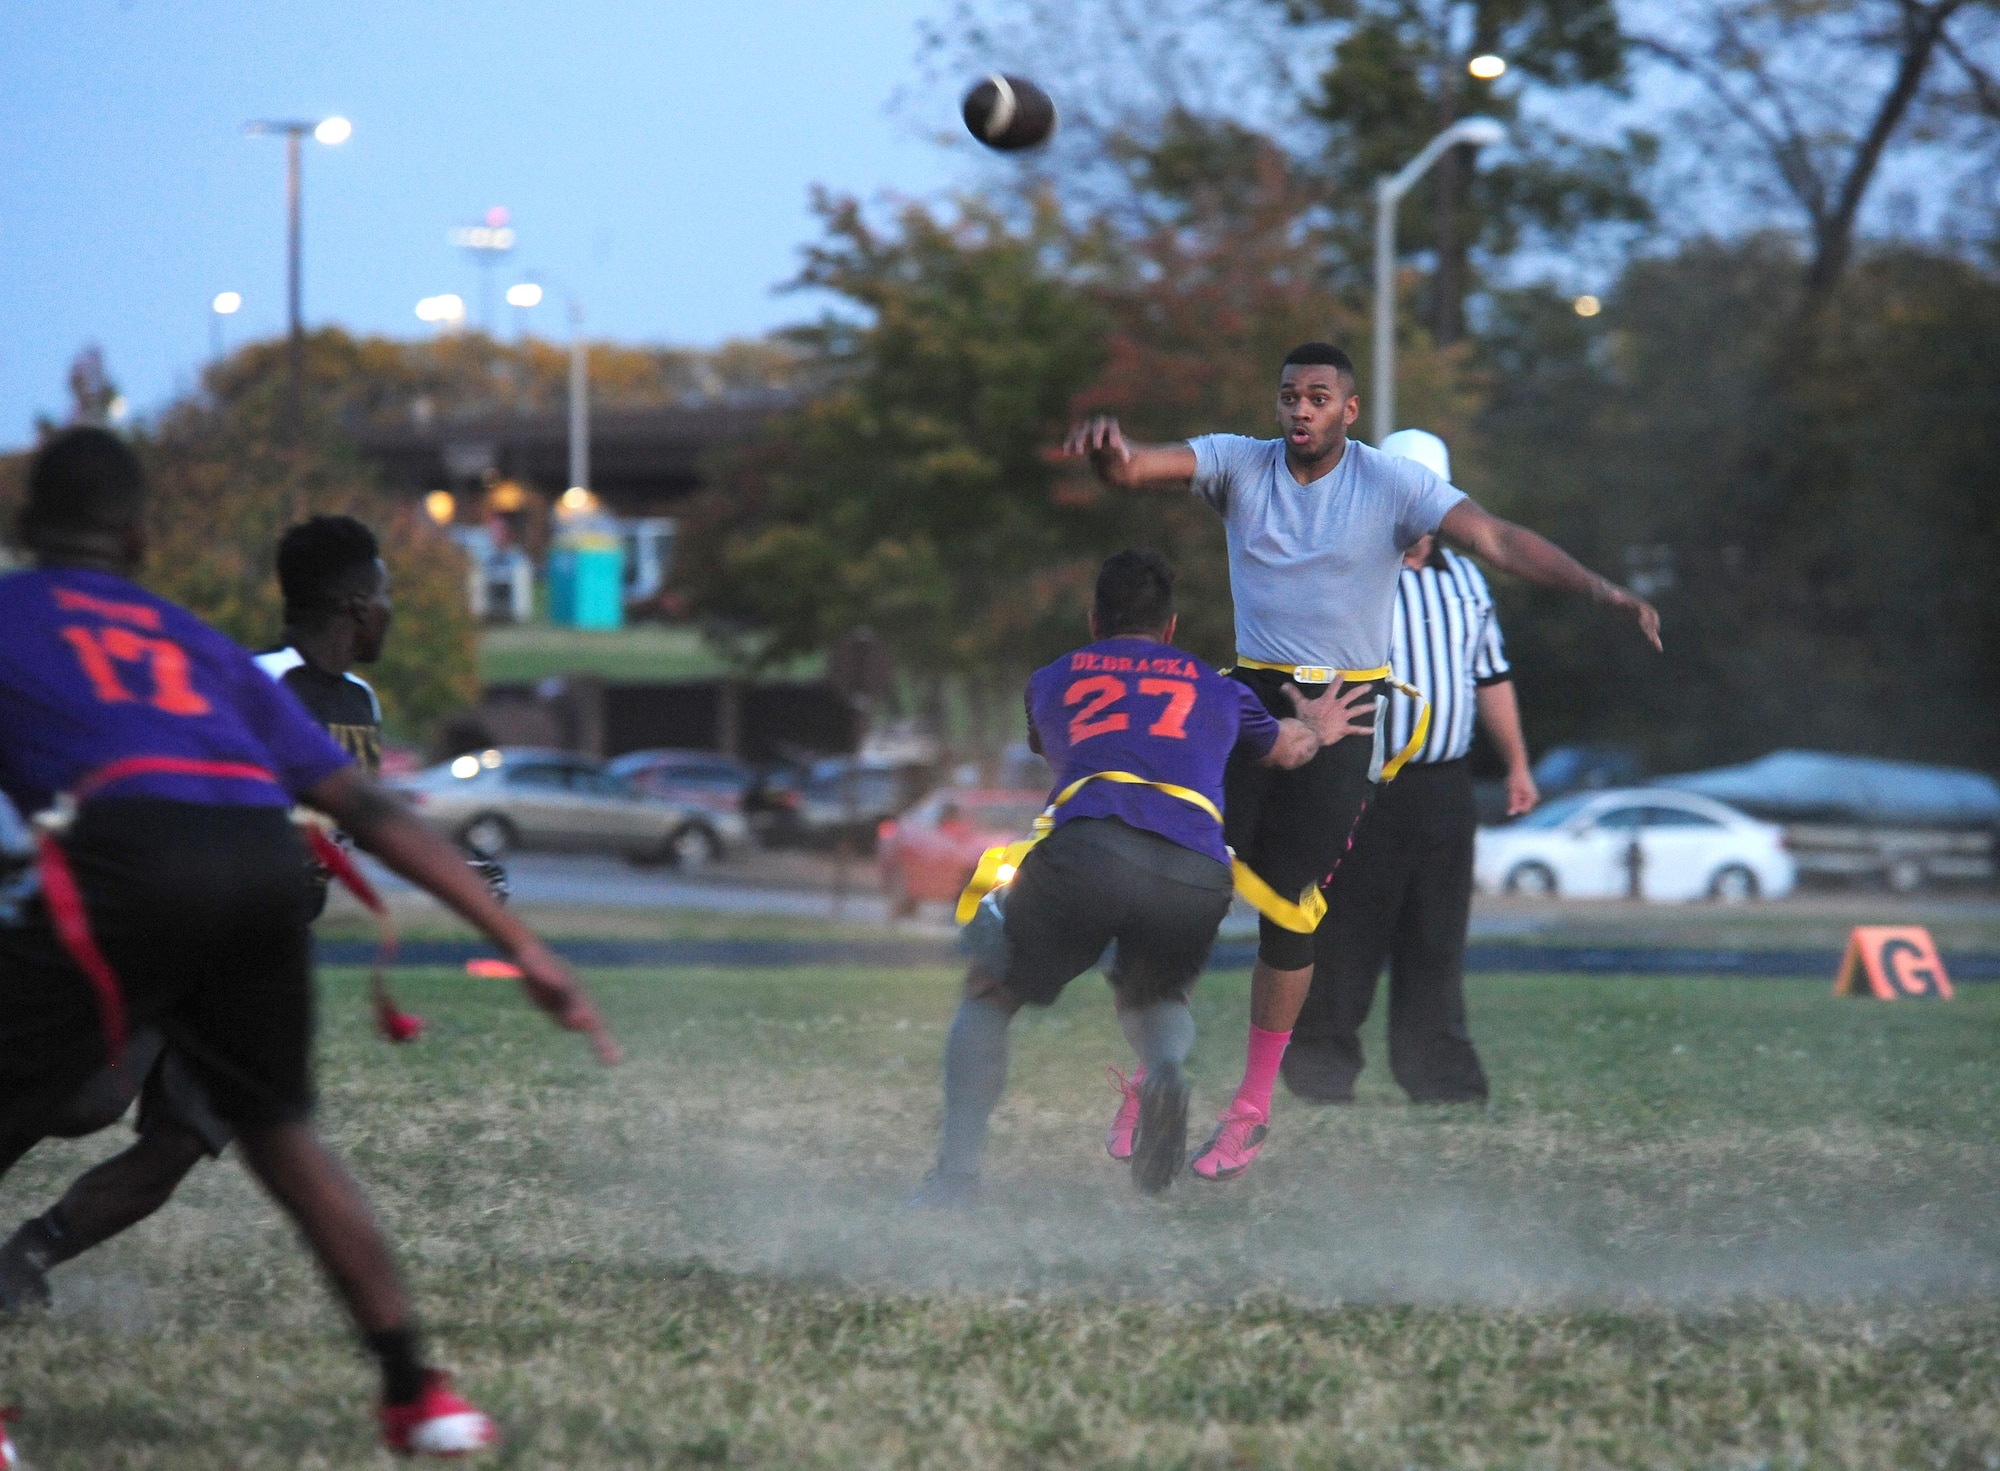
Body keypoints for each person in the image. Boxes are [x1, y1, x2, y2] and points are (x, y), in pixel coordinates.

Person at [0, 428, 617, 1460]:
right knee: (278, 1137)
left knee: (147, 1124)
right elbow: (370, 813)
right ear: (143, 535)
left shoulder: (17, 614)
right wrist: (525, 945)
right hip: (246, 883)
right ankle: (419, 1393)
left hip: (135, 868)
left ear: (22, 530)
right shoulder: (198, 644)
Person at [1061, 342, 1660, 1181]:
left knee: (1292, 912)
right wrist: (1113, 460)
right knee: (1167, 881)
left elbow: (1494, 535)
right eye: (1287, 396)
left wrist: (1601, 587)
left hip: (1346, 714)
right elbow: (1138, 469)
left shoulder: (1392, 483)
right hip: (1253, 705)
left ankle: (1249, 1109)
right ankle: (1154, 1073)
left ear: (1348, 410)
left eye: (1316, 397)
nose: (1299, 410)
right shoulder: (1240, 463)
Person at [0, 514, 507, 1315]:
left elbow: (336, 819)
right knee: (83, 1097)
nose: (391, 609)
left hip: (254, 952)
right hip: (179, 923)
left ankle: (25, 1259)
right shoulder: (252, 676)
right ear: (352, 604)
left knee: (176, 1144)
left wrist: (452, 873)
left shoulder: (359, 700)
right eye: (385, 593)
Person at [912, 549, 1366, 1203]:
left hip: (1089, 850)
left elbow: (1052, 741)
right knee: (1157, 992)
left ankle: (954, 1180)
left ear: (1094, 620)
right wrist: (1317, 729)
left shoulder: (1052, 677)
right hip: (1196, 872)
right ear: (1172, 627)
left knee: (989, 991)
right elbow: (1287, 750)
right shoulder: (1220, 688)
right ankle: (1165, 1068)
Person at [1283, 429, 1538, 1106]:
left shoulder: (1466, 580)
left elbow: (1492, 676)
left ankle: (1441, 1075)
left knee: (1436, 934)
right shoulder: (1343, 571)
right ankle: (1320, 1071)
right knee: (1344, 933)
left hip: (1443, 784)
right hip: (1358, 782)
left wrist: (1516, 763)